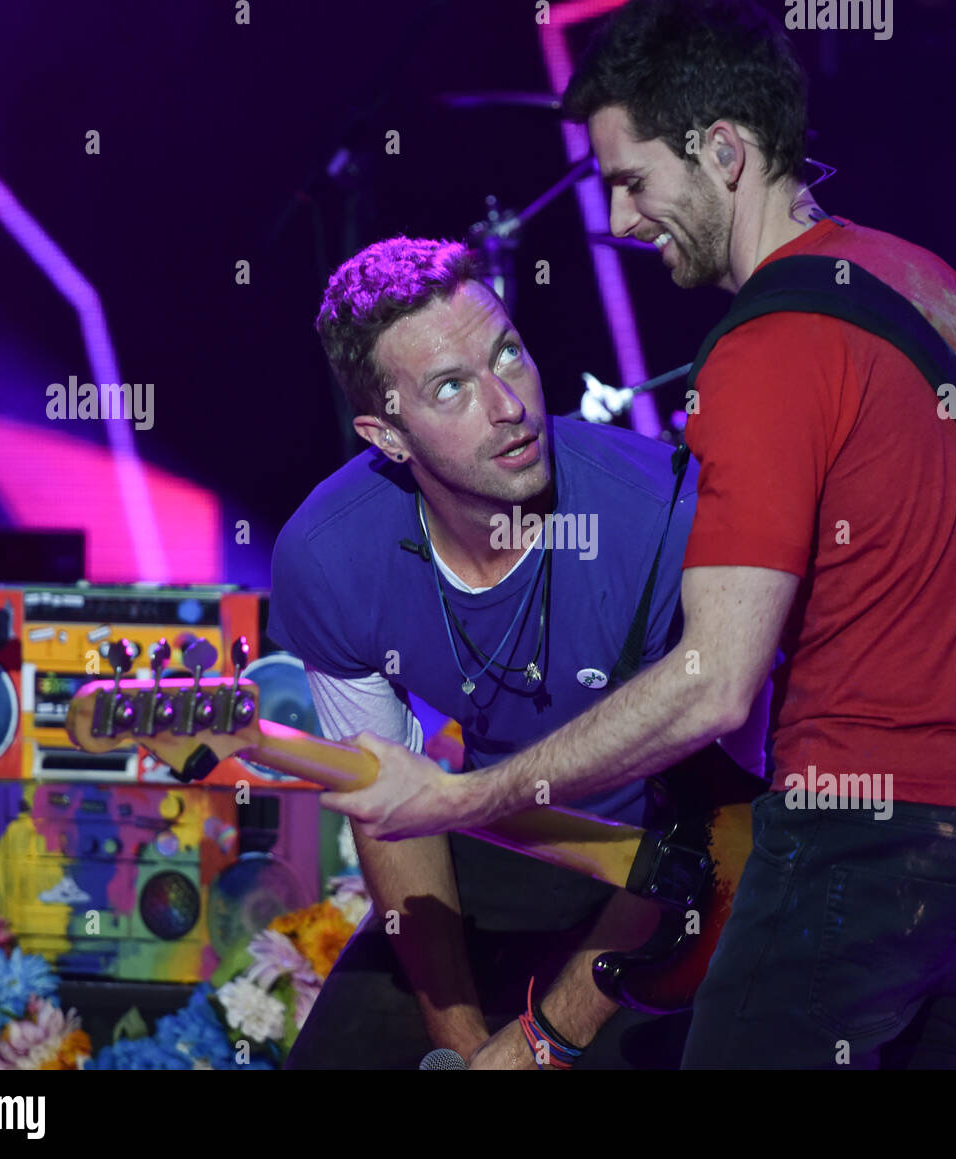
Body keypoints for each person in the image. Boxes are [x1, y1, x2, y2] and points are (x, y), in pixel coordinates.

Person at [322, 0, 956, 1069]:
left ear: (722, 150)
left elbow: (713, 685)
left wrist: (463, 795)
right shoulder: (932, 287)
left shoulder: (766, 351)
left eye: (632, 179)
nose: (617, 218)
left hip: (857, 856)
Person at [269, 234, 768, 1069]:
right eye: (451, 388)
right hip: (509, 845)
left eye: (508, 352)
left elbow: (717, 828)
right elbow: (394, 818)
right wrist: (463, 1043)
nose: (508, 405)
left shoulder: (660, 517)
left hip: (682, 863)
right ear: (386, 436)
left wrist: (543, 1040)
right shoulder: (327, 557)